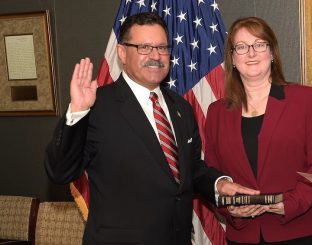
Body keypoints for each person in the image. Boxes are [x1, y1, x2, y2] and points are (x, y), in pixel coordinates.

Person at [44, 12, 258, 245]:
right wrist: (77, 111)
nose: (155, 56)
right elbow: (60, 171)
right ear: (122, 53)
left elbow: (191, 170)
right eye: (144, 47)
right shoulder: (97, 106)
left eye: (162, 47)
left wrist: (220, 185)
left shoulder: (181, 107)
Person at [204, 17, 312, 244]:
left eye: (259, 44)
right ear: (233, 58)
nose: (251, 53)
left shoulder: (305, 99)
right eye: (242, 47)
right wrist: (230, 209)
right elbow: (212, 173)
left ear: (272, 53)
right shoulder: (217, 111)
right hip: (244, 234)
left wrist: (290, 202)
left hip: (302, 231)